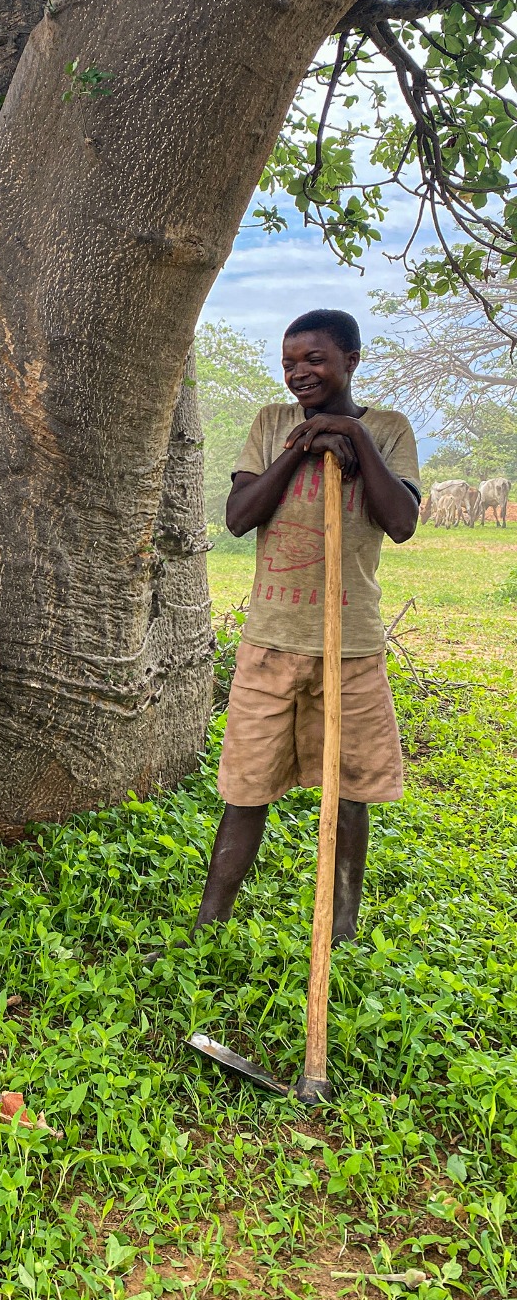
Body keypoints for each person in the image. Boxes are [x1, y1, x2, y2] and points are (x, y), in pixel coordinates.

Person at [195, 308, 420, 942]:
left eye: (314, 360)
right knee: (245, 790)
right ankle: (209, 928)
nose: (300, 373)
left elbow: (400, 522)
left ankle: (340, 931)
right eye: (291, 361)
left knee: (349, 797)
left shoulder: (392, 430)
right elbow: (240, 515)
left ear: (351, 360)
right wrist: (303, 446)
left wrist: (354, 438)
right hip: (271, 642)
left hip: (349, 645)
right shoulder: (271, 425)